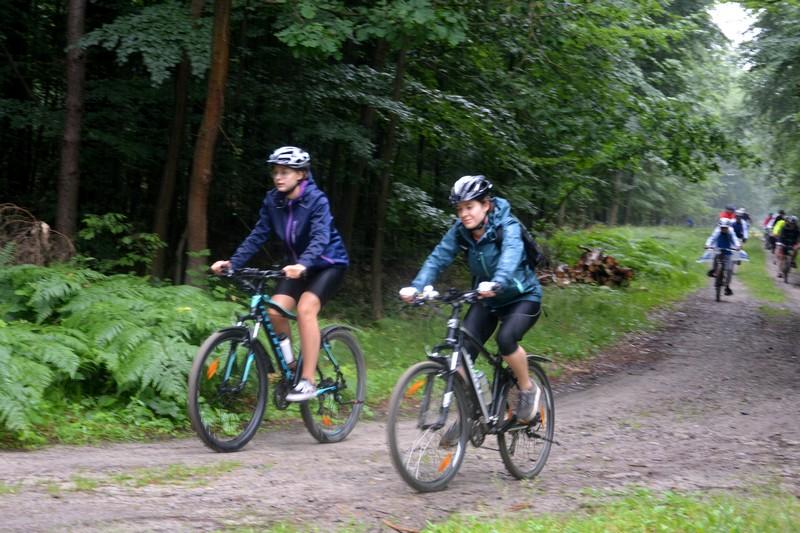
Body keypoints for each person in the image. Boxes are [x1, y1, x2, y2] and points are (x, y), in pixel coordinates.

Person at [399, 175, 543, 422]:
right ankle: (480, 410)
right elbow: (438, 258)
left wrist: (498, 281)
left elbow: (510, 255)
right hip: (487, 298)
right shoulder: (460, 232)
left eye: (469, 207)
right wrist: (416, 287)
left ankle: (527, 388)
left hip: (522, 296)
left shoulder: (507, 225)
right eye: (459, 209)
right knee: (461, 355)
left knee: (506, 339)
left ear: (485, 205)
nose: (464, 214)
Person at [210, 146, 349, 402]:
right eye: (275, 172)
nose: (278, 177)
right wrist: (233, 264)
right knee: (274, 311)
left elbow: (320, 237)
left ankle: (308, 381)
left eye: (285, 172)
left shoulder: (316, 200)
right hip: (295, 267)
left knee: (306, 309)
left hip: (328, 264)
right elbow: (258, 235)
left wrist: (304, 263)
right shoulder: (273, 201)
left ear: (301, 174)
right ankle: (292, 368)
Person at [705, 217, 741, 296]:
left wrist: (738, 246)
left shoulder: (731, 232)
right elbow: (712, 238)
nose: (723, 229)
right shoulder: (717, 231)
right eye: (722, 227)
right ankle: (714, 270)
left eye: (725, 228)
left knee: (729, 270)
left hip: (729, 251)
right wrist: (708, 244)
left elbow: (735, 239)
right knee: (715, 256)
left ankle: (727, 286)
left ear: (728, 227)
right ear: (719, 227)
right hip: (718, 249)